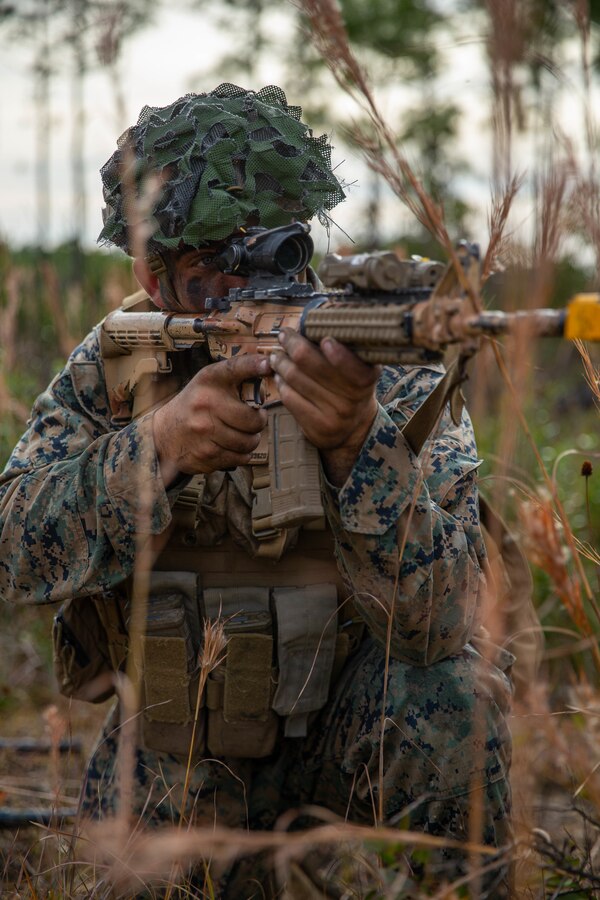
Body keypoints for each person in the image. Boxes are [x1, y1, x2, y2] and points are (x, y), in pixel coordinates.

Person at [0, 84, 513, 897]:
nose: (243, 286)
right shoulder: (120, 360)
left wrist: (358, 440)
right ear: (148, 267)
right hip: (176, 747)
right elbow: (11, 551)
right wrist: (156, 449)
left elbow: (451, 614)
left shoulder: (377, 361)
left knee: (453, 695)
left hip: (345, 737)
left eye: (271, 247)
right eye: (207, 262)